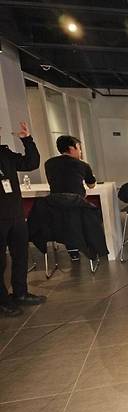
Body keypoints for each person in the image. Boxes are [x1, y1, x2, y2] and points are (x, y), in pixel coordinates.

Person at [0, 122, 47, 316]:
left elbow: (31, 163)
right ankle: (3, 301)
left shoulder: (4, 154)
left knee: (21, 256)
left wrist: (27, 140)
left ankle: (20, 293)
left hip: (15, 215)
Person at [45, 135, 97, 261]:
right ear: (71, 148)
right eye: (79, 148)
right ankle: (92, 246)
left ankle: (73, 251)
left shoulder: (49, 164)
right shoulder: (82, 165)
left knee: (67, 220)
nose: (81, 151)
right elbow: (91, 185)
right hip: (77, 207)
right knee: (92, 215)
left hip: (56, 210)